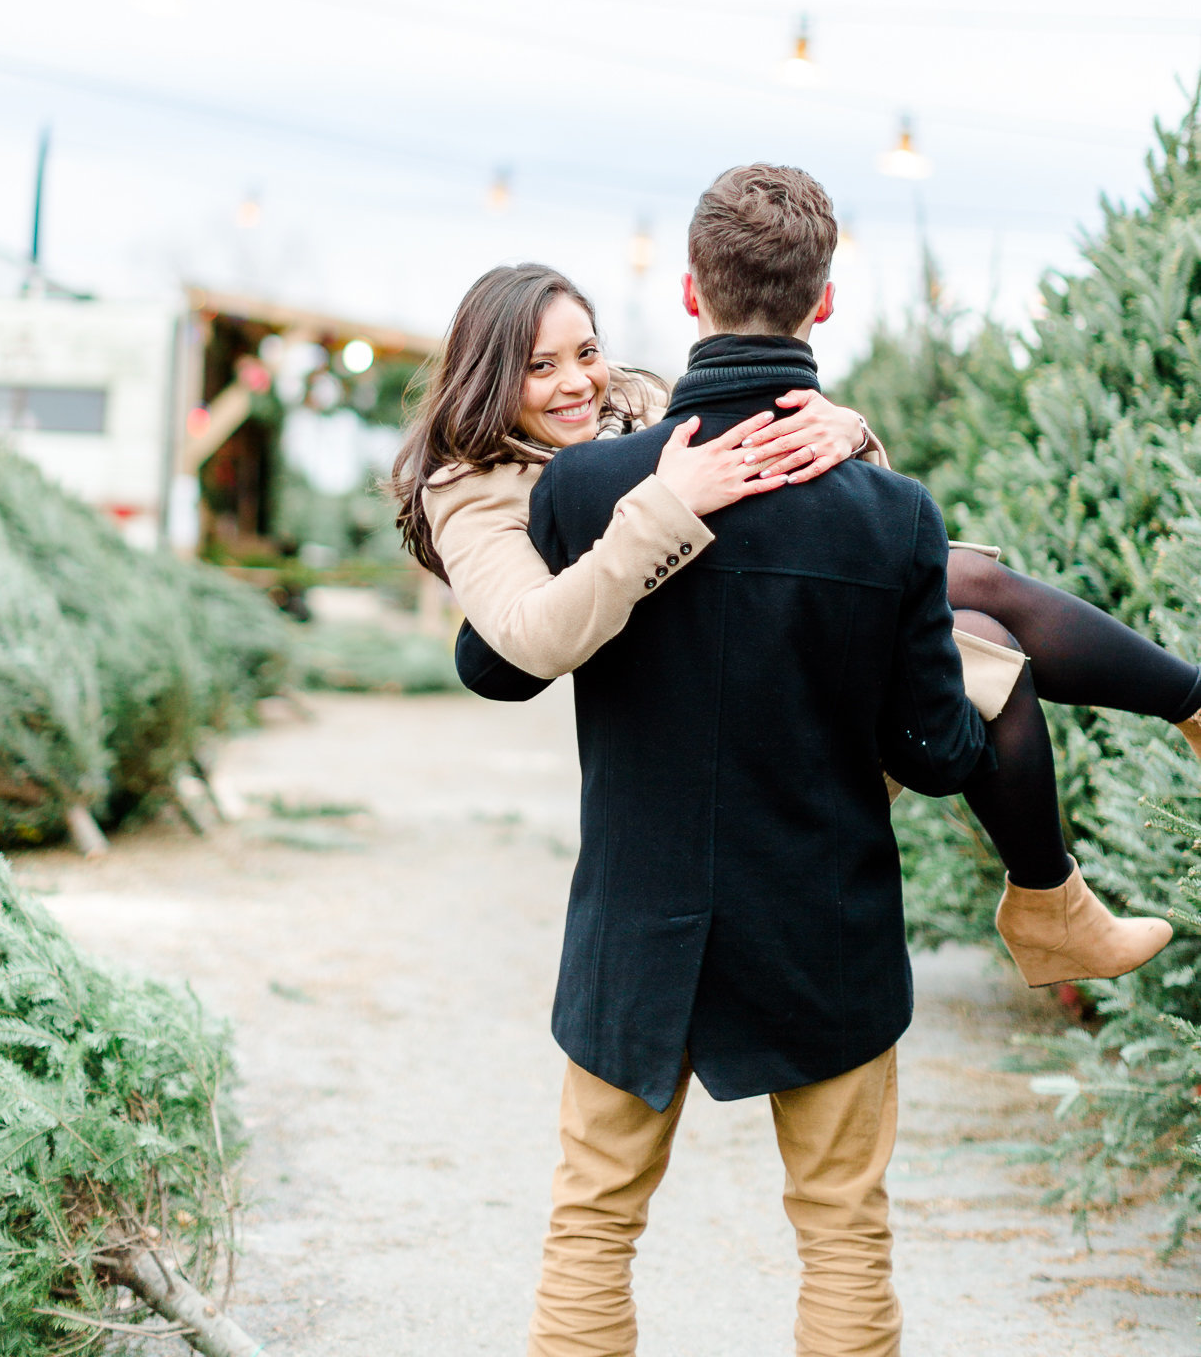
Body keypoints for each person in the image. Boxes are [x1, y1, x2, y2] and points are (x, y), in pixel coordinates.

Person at [388, 165, 1193, 1354]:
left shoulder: (591, 471)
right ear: (823, 302)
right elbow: (525, 641)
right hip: (821, 909)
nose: (573, 381)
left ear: (685, 291)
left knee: (593, 1225)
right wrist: (961, 716)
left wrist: (842, 432)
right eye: (541, 366)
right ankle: (1075, 854)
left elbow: (559, 610)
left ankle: (1143, 752)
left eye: (581, 354)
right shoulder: (546, 489)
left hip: (640, 913)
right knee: (840, 1230)